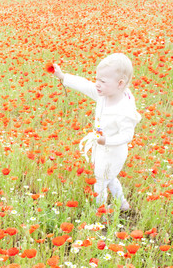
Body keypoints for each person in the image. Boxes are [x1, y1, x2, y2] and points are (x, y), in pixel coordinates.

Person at [53, 53, 141, 210]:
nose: (97, 84)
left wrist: (107, 140)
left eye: (102, 81)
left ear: (120, 83)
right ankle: (122, 204)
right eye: (97, 79)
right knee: (109, 177)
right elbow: (84, 85)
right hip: (101, 146)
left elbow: (127, 135)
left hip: (114, 151)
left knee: (100, 181)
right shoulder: (105, 94)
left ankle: (100, 211)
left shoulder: (124, 110)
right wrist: (62, 76)